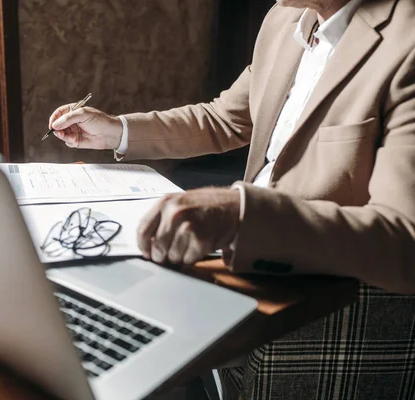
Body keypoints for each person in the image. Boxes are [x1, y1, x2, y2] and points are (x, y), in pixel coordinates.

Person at [48, 0, 415, 398]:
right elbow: (227, 117)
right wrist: (117, 132)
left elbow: (404, 241)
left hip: (336, 292)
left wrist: (240, 214)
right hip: (241, 254)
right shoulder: (285, 18)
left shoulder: (407, 43)